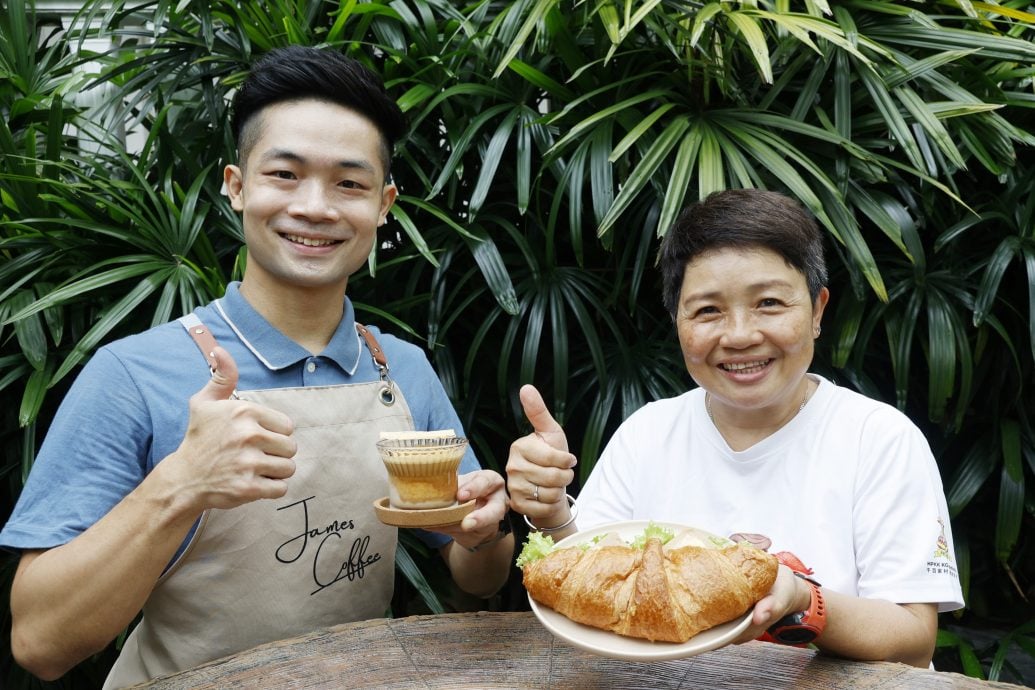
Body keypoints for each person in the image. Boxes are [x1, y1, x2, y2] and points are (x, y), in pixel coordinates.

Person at [1, 46, 512, 688]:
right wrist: (181, 484)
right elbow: (40, 641)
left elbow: (478, 572)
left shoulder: (402, 371)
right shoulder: (132, 373)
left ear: (383, 206)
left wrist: (482, 535)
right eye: (285, 174)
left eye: (349, 183)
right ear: (237, 187)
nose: (316, 207)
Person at [507, 189, 964, 668]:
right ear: (678, 322)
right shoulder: (648, 432)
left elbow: (914, 641)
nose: (741, 335)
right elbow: (592, 593)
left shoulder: (879, 438)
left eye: (769, 302)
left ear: (817, 312)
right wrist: (554, 510)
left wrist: (800, 599)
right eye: (708, 310)